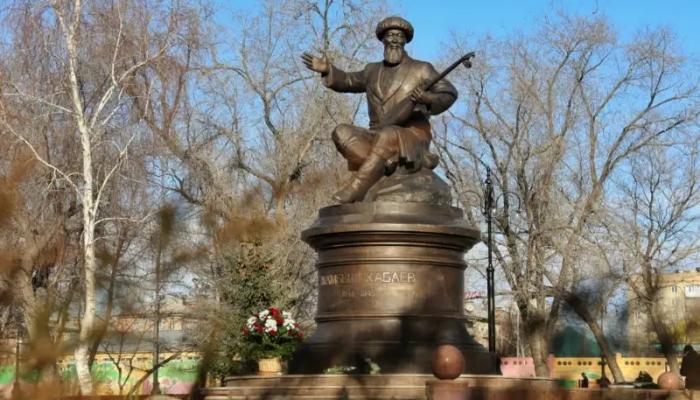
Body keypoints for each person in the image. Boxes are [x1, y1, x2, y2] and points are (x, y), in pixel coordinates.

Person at [301, 16, 458, 203]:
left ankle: (357, 188)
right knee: (341, 132)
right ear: (383, 40)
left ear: (405, 40)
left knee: (389, 135)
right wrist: (328, 70)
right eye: (390, 35)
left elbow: (449, 93)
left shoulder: (421, 69)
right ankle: (386, 165)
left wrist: (427, 98)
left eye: (399, 36)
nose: (394, 40)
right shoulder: (371, 70)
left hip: (411, 137)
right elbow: (349, 80)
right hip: (376, 134)